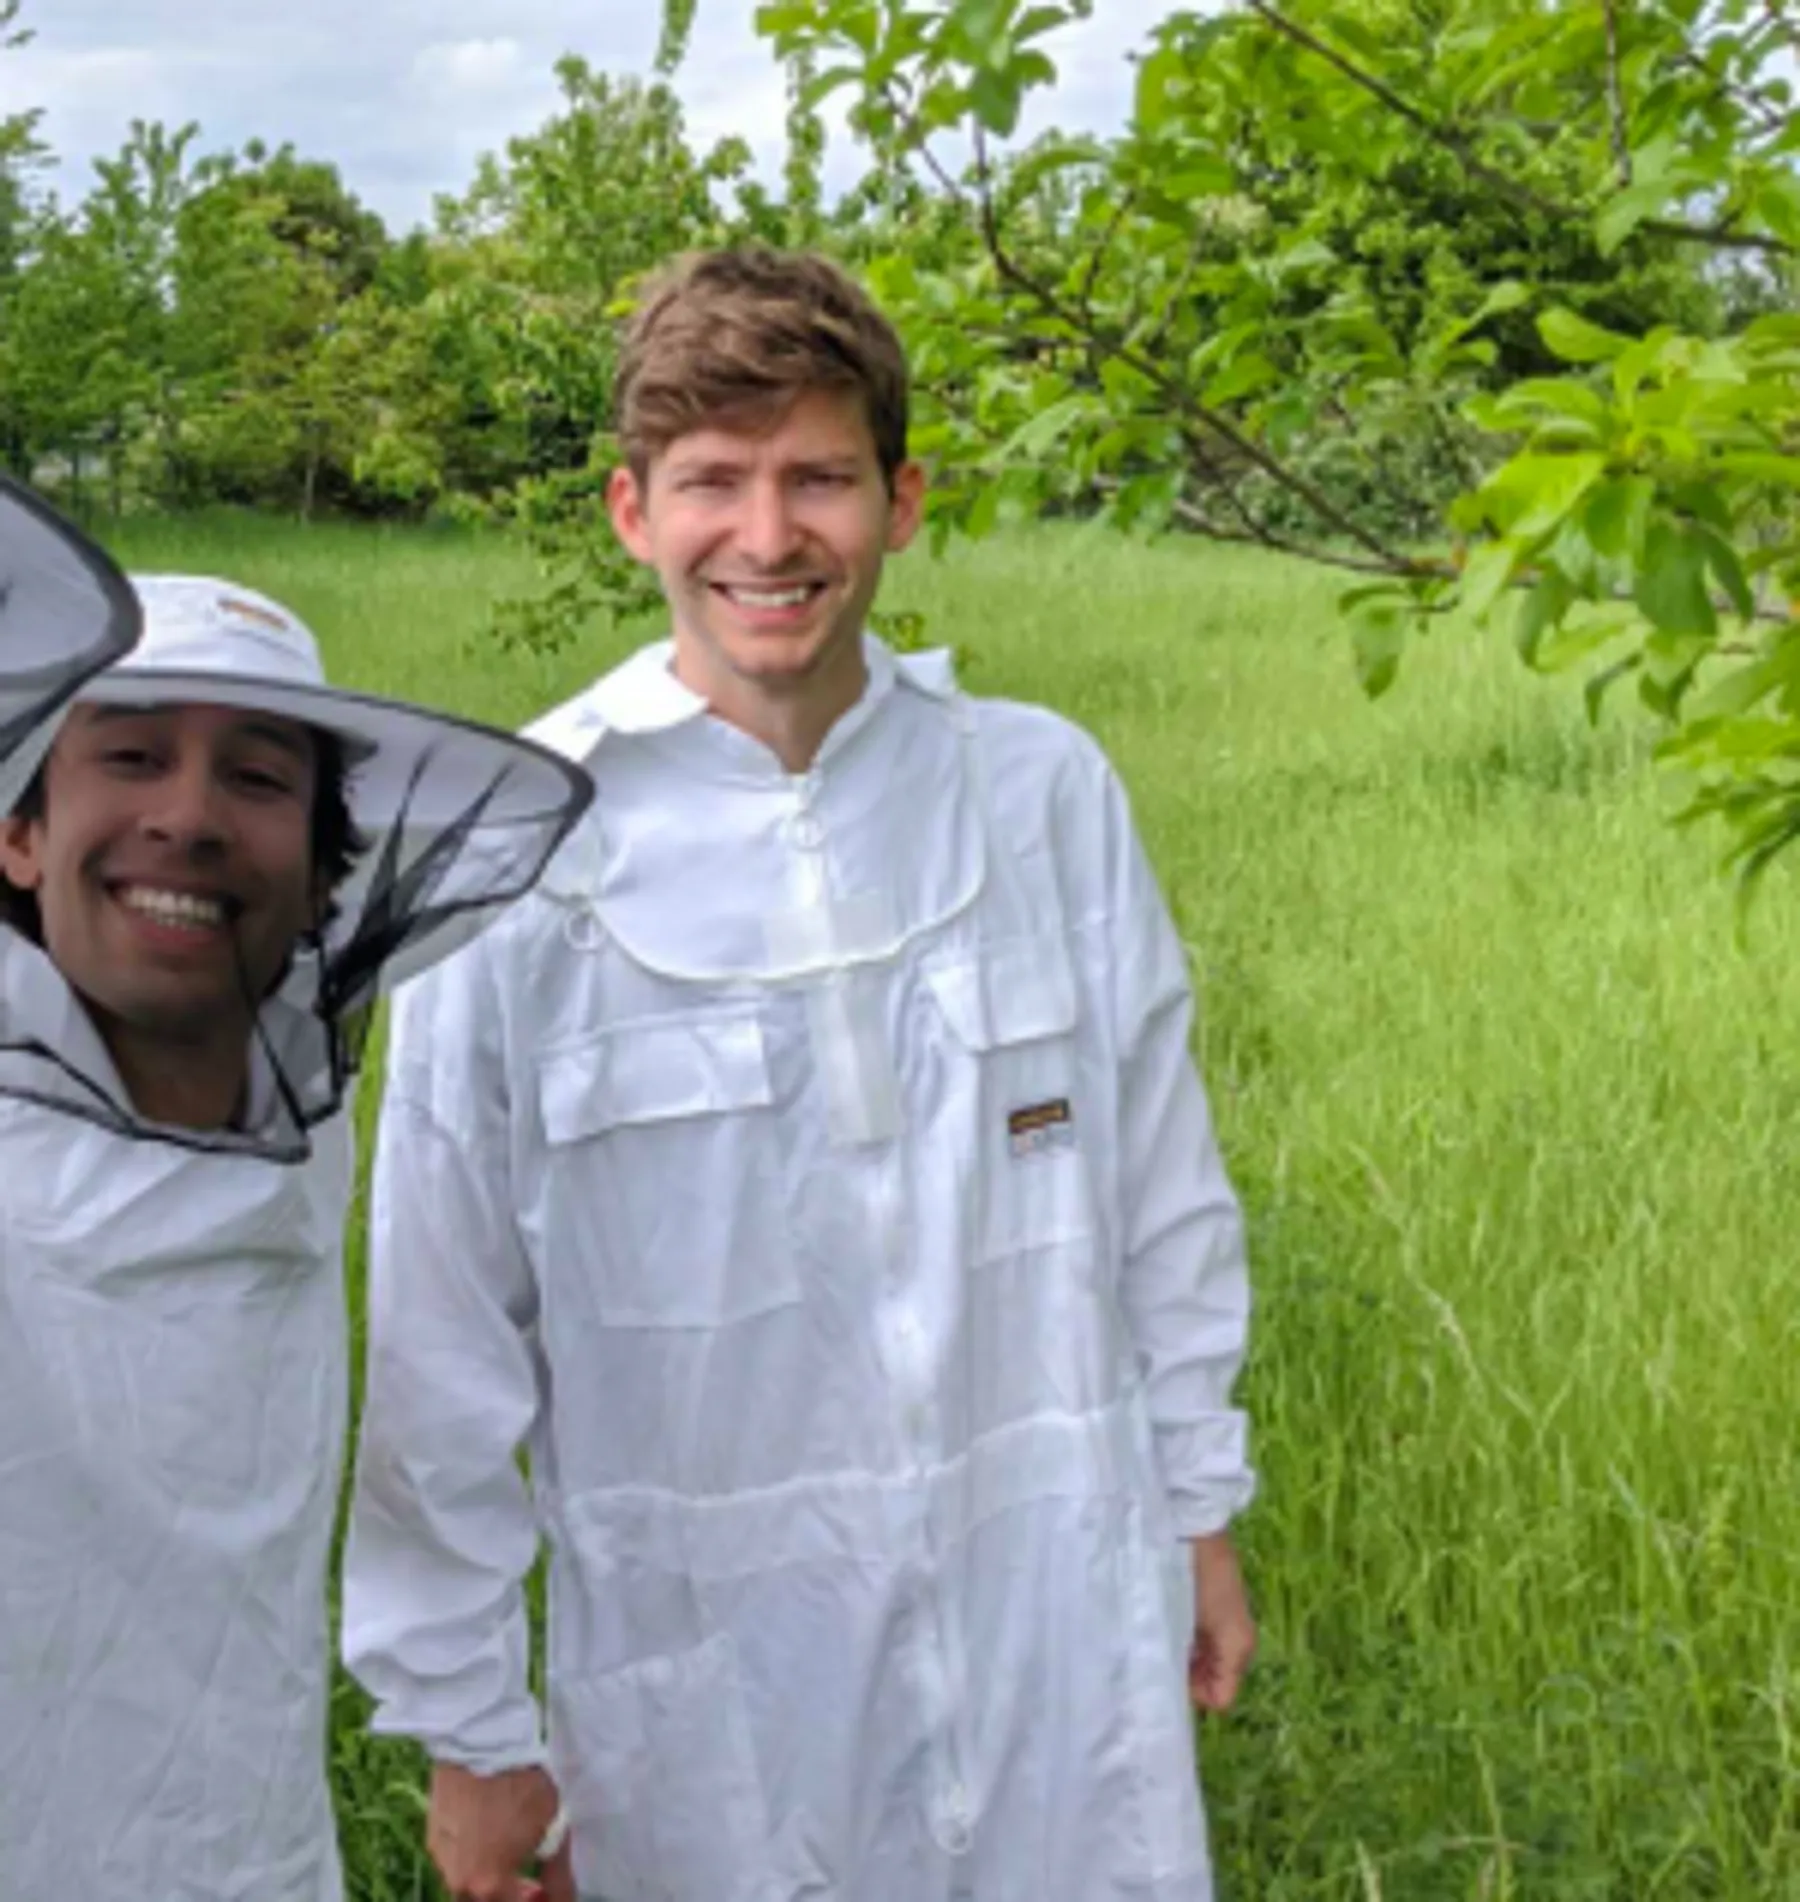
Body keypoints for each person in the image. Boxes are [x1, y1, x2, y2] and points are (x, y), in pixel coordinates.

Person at [344, 246, 1257, 1902]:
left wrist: (1196, 1505)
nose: (768, 540)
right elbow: (443, 1336)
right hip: (711, 1699)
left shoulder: (1041, 795)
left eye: (818, 478)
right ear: (632, 511)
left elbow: (1161, 1199)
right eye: (714, 483)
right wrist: (469, 1726)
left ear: (902, 499)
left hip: (1047, 1612)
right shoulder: (513, 850)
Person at [0, 474, 592, 1902]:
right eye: (130, 757)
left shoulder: (296, 1110)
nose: (190, 820)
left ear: (328, 877)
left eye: (259, 778)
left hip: (247, 1843)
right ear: (16, 833)